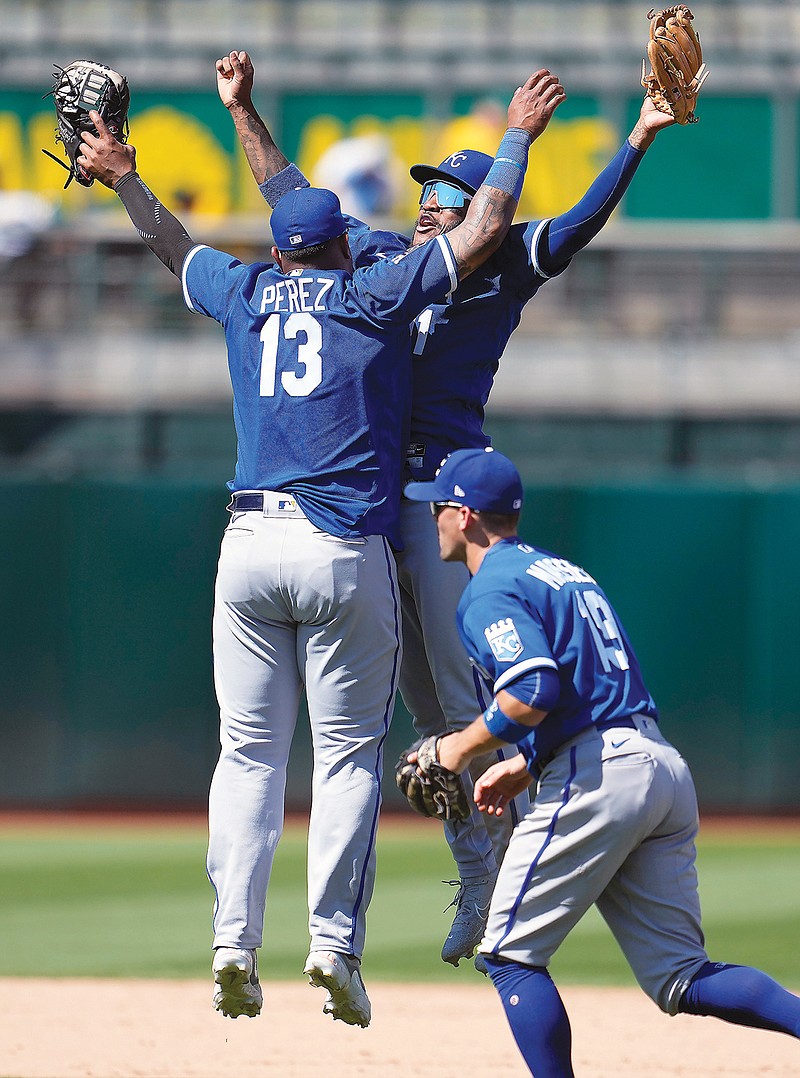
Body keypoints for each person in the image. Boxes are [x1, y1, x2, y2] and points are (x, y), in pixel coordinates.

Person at [75, 72, 563, 1027]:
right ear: (343, 244)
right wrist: (516, 135)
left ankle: (230, 943)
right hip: (345, 545)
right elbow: (488, 222)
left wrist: (127, 175)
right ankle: (333, 945)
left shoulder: (246, 290)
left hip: (247, 544)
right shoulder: (374, 294)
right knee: (344, 760)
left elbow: (170, 243)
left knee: (246, 758)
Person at [215, 50, 679, 970]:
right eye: (428, 189)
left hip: (442, 496)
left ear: (482, 207)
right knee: (419, 706)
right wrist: (244, 111)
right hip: (371, 504)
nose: (431, 201)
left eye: (449, 193)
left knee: (458, 699)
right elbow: (291, 196)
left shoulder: (501, 264)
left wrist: (637, 134)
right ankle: (478, 863)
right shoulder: (386, 258)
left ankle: (501, 867)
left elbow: (581, 221)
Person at [402, 446, 800, 1075]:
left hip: (600, 774)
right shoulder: (564, 572)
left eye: (440, 508)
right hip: (659, 765)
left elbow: (532, 689)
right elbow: (590, 685)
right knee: (681, 977)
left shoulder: (490, 590)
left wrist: (454, 749)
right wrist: (527, 765)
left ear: (467, 515)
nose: (433, 519)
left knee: (509, 956)